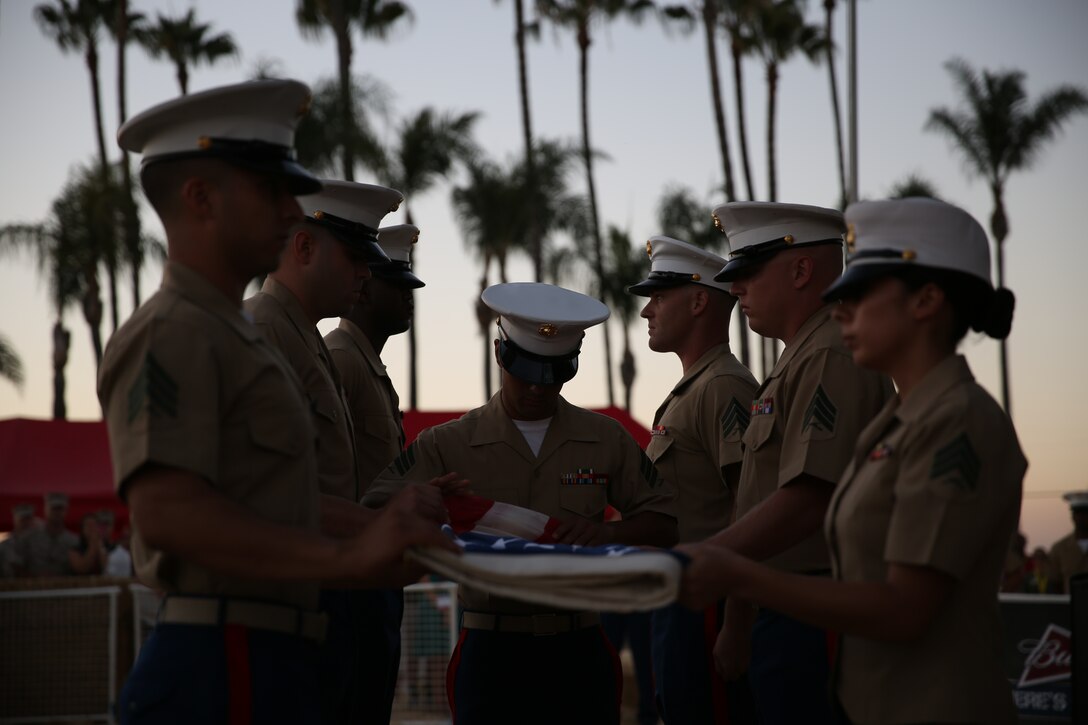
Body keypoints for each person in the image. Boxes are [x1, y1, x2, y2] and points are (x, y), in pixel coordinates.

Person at [98, 79, 457, 724]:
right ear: (200, 199)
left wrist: (386, 528)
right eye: (272, 190)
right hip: (219, 659)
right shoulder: (175, 330)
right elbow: (170, 515)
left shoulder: (235, 334)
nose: (293, 212)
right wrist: (351, 556)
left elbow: (279, 500)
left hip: (265, 652)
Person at [679, 197, 1026, 723]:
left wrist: (738, 576)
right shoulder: (903, 423)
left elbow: (906, 608)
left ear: (926, 300)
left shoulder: (958, 421)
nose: (839, 310)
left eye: (858, 293)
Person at [364, 282, 679, 725]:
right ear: (499, 352)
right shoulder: (447, 444)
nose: (536, 387)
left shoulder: (606, 438)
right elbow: (372, 511)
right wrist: (422, 503)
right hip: (491, 653)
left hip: (580, 649)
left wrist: (609, 533)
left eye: (551, 373)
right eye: (525, 370)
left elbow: (665, 522)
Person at [701, 202, 894, 724]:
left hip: (816, 612)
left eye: (748, 273)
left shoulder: (829, 352)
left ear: (801, 269)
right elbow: (760, 502)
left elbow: (810, 498)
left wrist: (701, 560)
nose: (735, 290)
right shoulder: (801, 356)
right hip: (785, 609)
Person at [245, 178, 403, 724]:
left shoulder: (302, 336)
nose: (366, 273)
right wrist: (382, 528)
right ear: (304, 247)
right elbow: (262, 499)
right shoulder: (261, 331)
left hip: (319, 602)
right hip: (280, 609)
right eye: (356, 255)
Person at [627, 235, 758, 725]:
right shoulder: (698, 386)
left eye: (659, 297)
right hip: (683, 602)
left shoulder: (723, 387)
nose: (647, 311)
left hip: (711, 606)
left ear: (700, 300)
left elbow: (751, 504)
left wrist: (738, 624)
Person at [324, 222, 423, 724]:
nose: (409, 297)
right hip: (350, 580)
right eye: (397, 285)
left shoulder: (365, 364)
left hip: (373, 575)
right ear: (363, 288)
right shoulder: (342, 359)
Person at [13, 493, 78, 577]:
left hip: (63, 586)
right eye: (53, 509)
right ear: (46, 509)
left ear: (66, 511)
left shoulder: (73, 540)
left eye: (60, 509)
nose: (57, 513)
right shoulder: (29, 538)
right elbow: (17, 565)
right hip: (33, 586)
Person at [1050, 491, 1088, 592]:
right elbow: (1055, 583)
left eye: (1085, 513)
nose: (1082, 518)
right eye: (1078, 513)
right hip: (1070, 605)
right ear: (1073, 516)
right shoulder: (1059, 549)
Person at [0, 504, 38, 577]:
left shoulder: (40, 544)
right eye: (22, 519)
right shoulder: (4, 547)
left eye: (28, 519)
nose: (26, 523)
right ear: (15, 520)